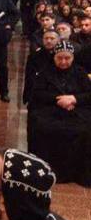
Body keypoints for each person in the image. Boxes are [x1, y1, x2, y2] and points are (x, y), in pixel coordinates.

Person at [28, 41, 91, 186]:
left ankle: (78, 173)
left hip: (76, 110)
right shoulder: (45, 73)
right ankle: (48, 171)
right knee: (43, 128)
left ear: (73, 58)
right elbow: (37, 94)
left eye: (67, 58)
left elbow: (88, 94)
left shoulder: (80, 73)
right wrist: (60, 100)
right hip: (50, 110)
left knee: (85, 130)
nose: (63, 62)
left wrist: (74, 99)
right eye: (60, 58)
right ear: (54, 58)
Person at [22, 29, 59, 105]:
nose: (48, 41)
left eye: (52, 39)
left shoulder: (62, 56)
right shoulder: (34, 56)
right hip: (39, 91)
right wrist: (27, 96)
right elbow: (29, 77)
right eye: (46, 38)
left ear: (58, 40)